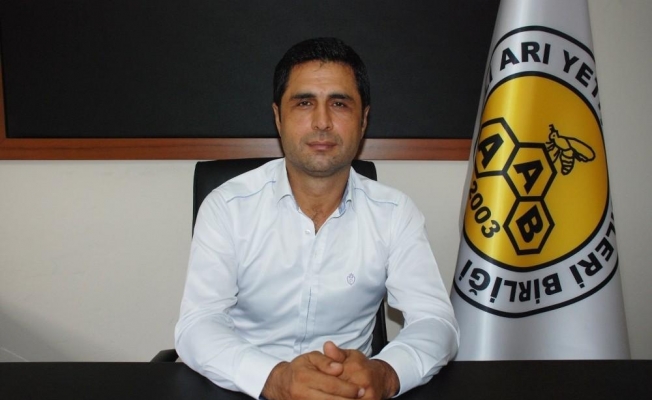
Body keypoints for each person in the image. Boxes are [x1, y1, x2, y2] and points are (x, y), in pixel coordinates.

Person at [175, 37, 459, 400]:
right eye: (304, 103)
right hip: (246, 390)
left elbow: (436, 322)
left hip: (352, 393)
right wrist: (275, 378)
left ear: (363, 120)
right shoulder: (227, 207)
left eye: (339, 104)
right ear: (278, 117)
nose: (322, 122)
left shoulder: (394, 213)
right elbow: (197, 325)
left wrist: (386, 373)